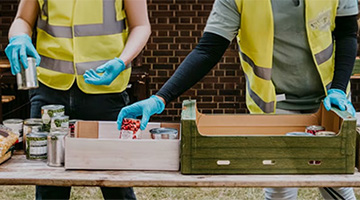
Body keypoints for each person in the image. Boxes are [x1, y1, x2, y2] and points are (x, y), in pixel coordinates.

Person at [116, 0, 358, 199]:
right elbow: (208, 50)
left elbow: (348, 35)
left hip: (329, 102)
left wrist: (337, 89)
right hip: (275, 108)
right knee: (280, 187)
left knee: (336, 179)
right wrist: (161, 97)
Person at [5, 0, 151, 199]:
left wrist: (121, 60)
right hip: (50, 91)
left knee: (116, 181)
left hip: (106, 92)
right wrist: (19, 37)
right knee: (49, 184)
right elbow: (22, 19)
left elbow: (141, 26)